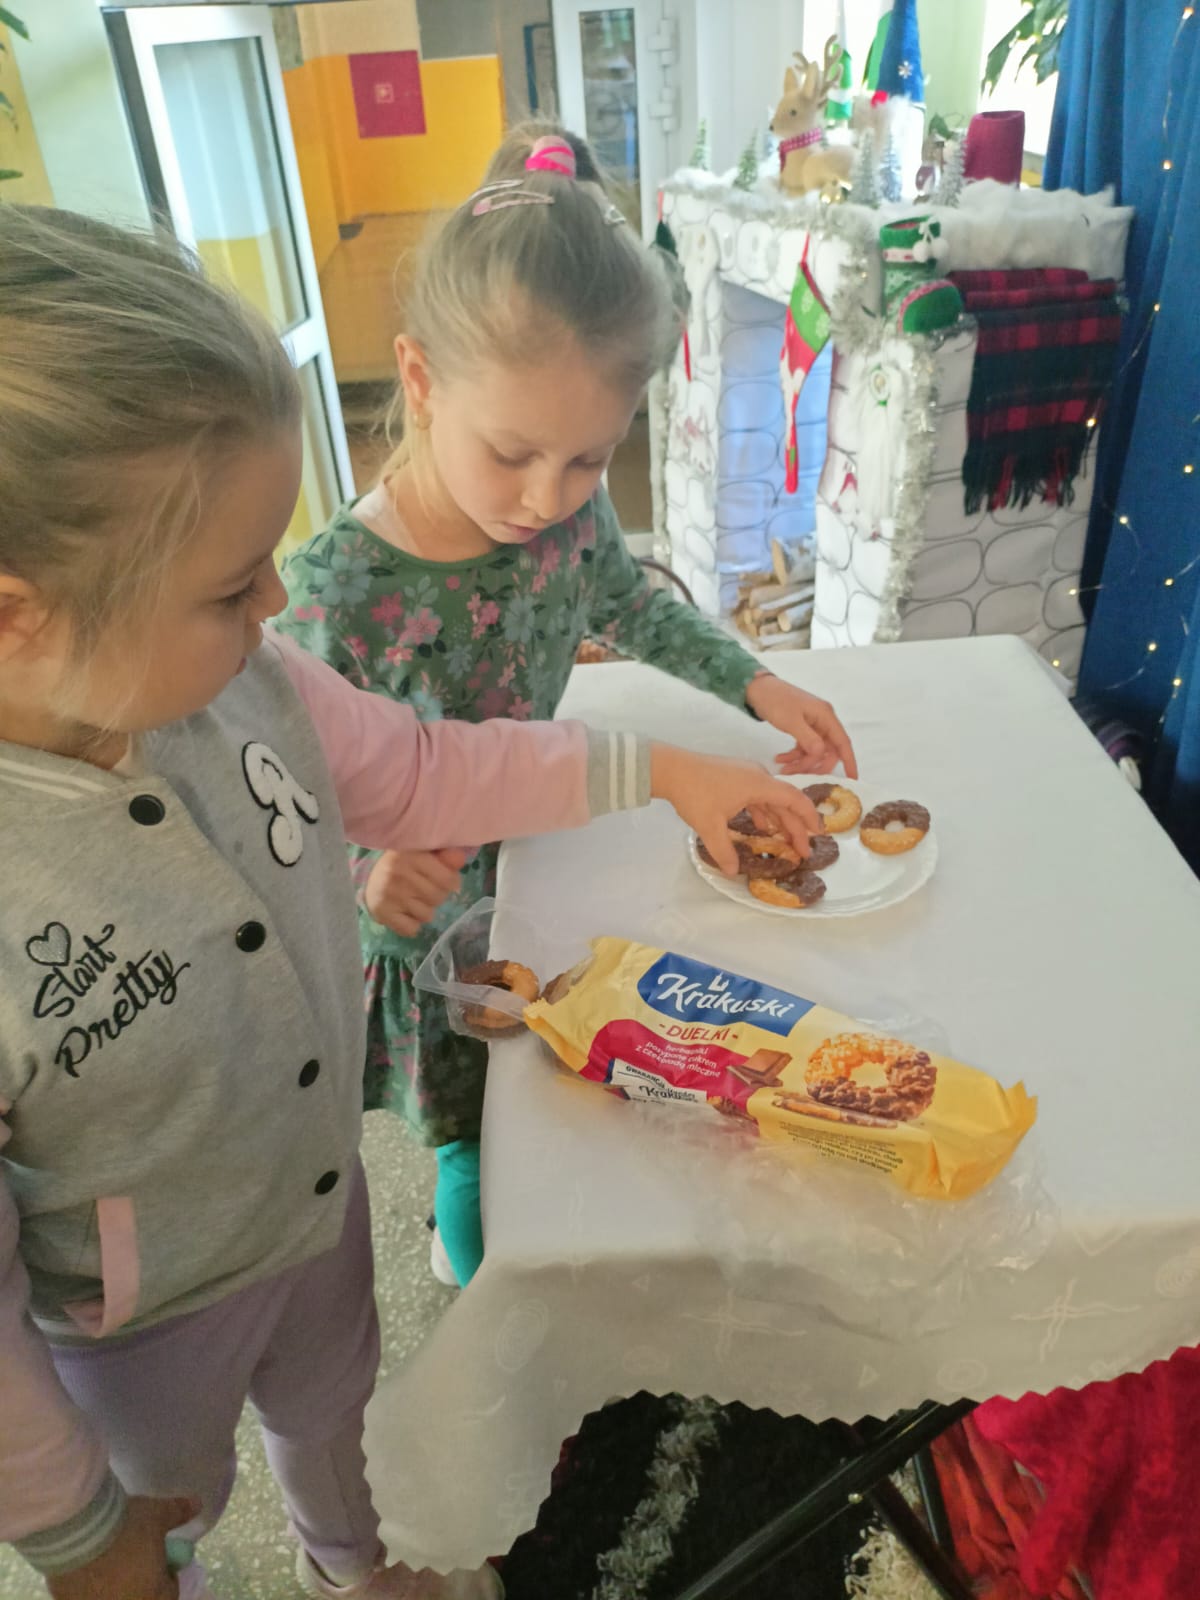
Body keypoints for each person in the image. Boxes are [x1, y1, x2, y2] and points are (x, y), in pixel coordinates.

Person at [0, 204, 828, 1600]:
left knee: (338, 1415)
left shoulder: (250, 681)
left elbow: (432, 766)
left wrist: (659, 767)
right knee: (167, 1511)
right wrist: (81, 1536)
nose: (276, 599)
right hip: (138, 1323)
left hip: (316, 1210)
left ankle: (353, 1561)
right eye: (229, 586)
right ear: (19, 614)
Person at [276, 125, 858, 1289]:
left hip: (558, 858)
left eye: (591, 461)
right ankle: (486, 1284)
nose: (549, 498)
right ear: (422, 381)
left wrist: (756, 679)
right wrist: (365, 876)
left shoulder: (570, 516)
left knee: (577, 1109)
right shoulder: (336, 590)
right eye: (512, 453)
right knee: (479, 1141)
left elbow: (627, 603)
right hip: (435, 929)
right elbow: (281, 794)